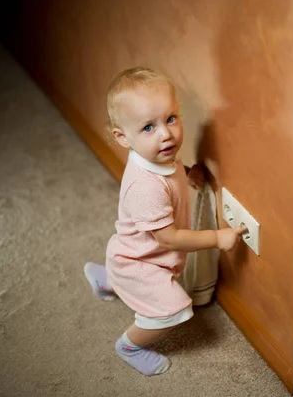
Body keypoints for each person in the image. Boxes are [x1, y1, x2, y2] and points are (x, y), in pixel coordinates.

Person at [84, 67, 246, 376]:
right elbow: (169, 239)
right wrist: (216, 237)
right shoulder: (144, 186)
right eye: (148, 127)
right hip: (142, 263)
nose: (165, 134)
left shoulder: (159, 154)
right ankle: (129, 345)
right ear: (123, 137)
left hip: (130, 250)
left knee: (123, 272)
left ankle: (106, 279)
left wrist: (187, 173)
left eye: (170, 118)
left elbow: (170, 169)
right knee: (175, 310)